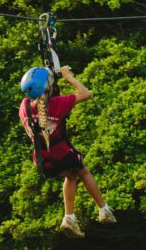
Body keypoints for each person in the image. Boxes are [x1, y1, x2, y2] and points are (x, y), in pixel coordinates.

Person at [18, 64, 114, 237]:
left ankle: (68, 216)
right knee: (83, 171)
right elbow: (86, 94)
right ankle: (104, 209)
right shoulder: (57, 104)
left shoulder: (23, 107)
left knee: (70, 175)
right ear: (49, 86)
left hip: (42, 160)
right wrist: (67, 76)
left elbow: (39, 104)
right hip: (61, 153)